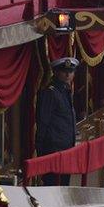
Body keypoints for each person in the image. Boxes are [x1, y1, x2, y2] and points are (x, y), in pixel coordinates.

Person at [35, 57, 79, 186]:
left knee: (64, 185)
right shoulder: (50, 93)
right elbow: (43, 121)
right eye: (64, 71)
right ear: (56, 72)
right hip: (53, 149)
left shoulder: (65, 91)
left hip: (66, 148)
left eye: (70, 72)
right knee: (53, 185)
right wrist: (41, 149)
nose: (67, 74)